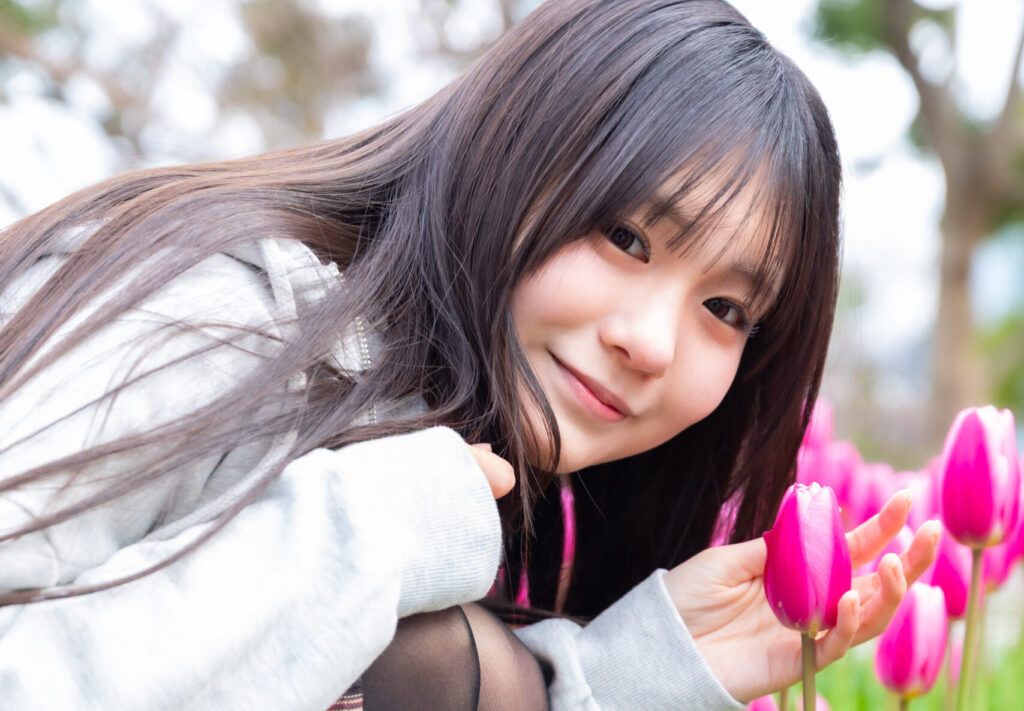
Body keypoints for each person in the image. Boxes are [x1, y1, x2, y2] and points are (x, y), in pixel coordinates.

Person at [0, 0, 939, 708]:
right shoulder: (221, 316)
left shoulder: (472, 454)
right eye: (626, 236)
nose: (651, 342)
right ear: (518, 151)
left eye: (726, 308)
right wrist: (374, 529)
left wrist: (616, 676)